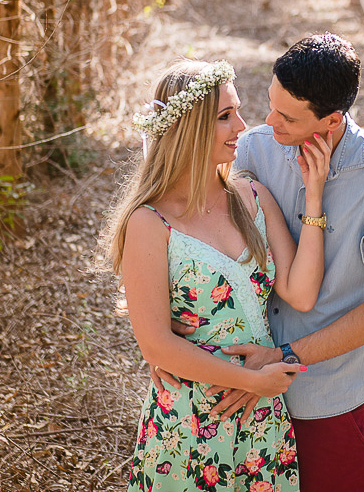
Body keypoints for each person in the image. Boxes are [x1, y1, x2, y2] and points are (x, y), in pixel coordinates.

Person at [160, 34, 364, 492]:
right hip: (240, 390)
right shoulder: (251, 150)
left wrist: (283, 358)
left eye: (287, 116)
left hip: (327, 394)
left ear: (333, 120)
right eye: (270, 104)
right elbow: (179, 225)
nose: (268, 121)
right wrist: (163, 338)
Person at [108, 59, 334, 492]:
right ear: (189, 128)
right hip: (190, 420)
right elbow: (156, 343)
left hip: (260, 420)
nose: (242, 126)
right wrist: (253, 381)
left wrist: (314, 196)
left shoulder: (253, 197)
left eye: (238, 111)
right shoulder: (149, 222)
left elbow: (301, 293)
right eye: (225, 116)